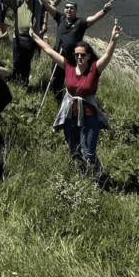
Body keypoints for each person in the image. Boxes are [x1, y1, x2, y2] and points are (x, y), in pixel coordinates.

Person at [31, 21, 121, 176]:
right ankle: (82, 173)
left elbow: (107, 55)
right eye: (77, 54)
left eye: (83, 55)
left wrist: (113, 38)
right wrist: (34, 36)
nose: (79, 57)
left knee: (89, 152)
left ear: (89, 56)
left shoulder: (95, 69)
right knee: (73, 148)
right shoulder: (68, 67)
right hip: (70, 115)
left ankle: (98, 176)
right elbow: (48, 50)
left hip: (90, 116)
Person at [0, 0, 60, 87]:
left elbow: (51, 4)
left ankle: (24, 82)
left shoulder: (38, 4)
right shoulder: (18, 1)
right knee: (16, 61)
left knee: (26, 62)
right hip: (17, 37)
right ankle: (15, 80)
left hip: (30, 39)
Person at [44, 0, 114, 99]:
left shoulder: (80, 22)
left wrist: (105, 10)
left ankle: (72, 100)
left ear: (75, 10)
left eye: (71, 8)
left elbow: (94, 18)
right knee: (56, 80)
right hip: (58, 56)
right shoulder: (60, 18)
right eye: (67, 8)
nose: (69, 10)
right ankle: (57, 99)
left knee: (72, 81)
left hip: (73, 59)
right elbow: (48, 7)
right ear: (64, 9)